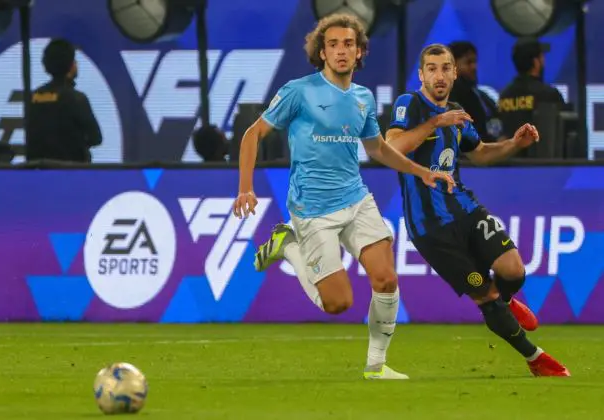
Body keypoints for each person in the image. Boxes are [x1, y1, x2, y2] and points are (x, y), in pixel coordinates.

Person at [232, 14, 455, 380]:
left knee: (386, 279)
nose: (341, 51)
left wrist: (423, 171)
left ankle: (376, 366)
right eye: (333, 44)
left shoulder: (363, 98)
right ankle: (287, 243)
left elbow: (379, 149)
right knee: (338, 303)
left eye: (348, 44)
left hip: (356, 199)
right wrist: (245, 187)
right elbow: (252, 135)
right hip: (313, 209)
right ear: (321, 52)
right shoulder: (298, 92)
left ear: (359, 52)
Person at [386, 43, 570, 377]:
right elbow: (392, 147)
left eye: (445, 68)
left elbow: (480, 152)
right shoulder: (409, 105)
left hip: (464, 209)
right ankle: (536, 359)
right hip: (431, 229)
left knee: (513, 270)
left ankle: (509, 301)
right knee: (485, 293)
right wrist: (436, 122)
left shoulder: (457, 112)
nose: (439, 75)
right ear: (421, 74)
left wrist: (514, 144)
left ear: (455, 73)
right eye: (432, 68)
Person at [26, 38, 102, 163]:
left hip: (39, 173)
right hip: (72, 174)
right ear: (71, 66)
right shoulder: (76, 99)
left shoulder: (33, 97)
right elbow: (96, 138)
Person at [498, 38, 566, 155]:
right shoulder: (549, 94)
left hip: (508, 165)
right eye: (542, 57)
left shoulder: (504, 95)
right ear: (536, 62)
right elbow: (562, 134)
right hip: (539, 165)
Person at [447, 41, 502, 141]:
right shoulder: (446, 99)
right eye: (468, 62)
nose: (474, 67)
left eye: (475, 61)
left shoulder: (481, 95)